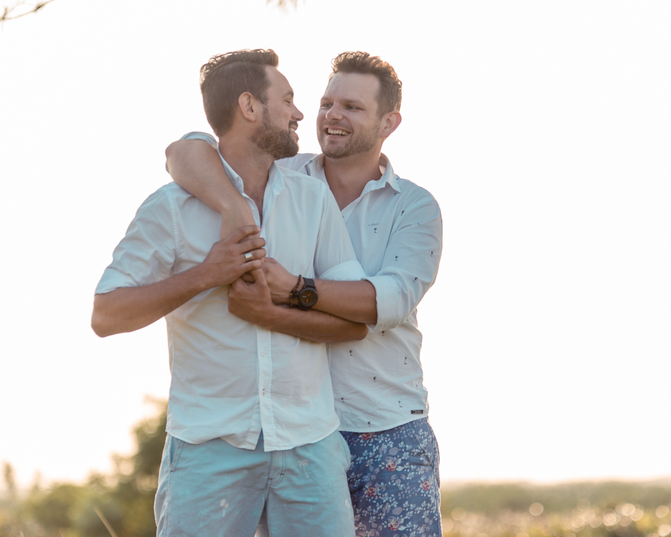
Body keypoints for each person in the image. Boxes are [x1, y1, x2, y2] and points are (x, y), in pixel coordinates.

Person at [92, 49, 372, 537]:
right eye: (286, 99)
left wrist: (279, 307)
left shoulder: (312, 198)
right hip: (207, 449)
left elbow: (354, 321)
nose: (299, 113)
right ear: (249, 106)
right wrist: (206, 273)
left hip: (310, 445)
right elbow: (106, 314)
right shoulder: (171, 208)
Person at [166, 51, 444, 537]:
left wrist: (294, 290)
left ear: (389, 122)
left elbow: (389, 303)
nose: (332, 115)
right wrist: (233, 207)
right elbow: (183, 151)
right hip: (288, 435)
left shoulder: (415, 207)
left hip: (386, 427)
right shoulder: (282, 174)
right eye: (326, 102)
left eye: (352, 107)